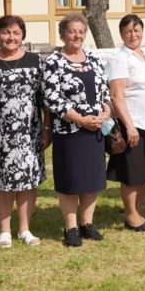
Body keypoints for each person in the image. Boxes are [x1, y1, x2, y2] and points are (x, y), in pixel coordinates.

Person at [0, 15, 46, 248]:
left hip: (30, 133)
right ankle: (4, 231)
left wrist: (47, 128)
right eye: (5, 32)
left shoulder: (36, 61)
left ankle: (24, 229)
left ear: (22, 36)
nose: (11, 37)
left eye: (16, 33)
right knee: (2, 181)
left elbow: (45, 99)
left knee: (28, 180)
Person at [42, 13, 113, 247]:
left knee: (92, 179)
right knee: (70, 179)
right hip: (69, 130)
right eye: (72, 31)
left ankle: (87, 224)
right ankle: (70, 228)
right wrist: (80, 119)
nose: (77, 35)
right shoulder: (53, 62)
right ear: (62, 34)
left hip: (95, 129)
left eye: (81, 31)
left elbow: (105, 92)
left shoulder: (92, 58)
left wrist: (105, 114)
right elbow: (52, 98)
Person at [106, 14, 145, 233]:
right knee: (131, 171)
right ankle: (130, 216)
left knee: (144, 170)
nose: (133, 35)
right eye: (128, 31)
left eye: (136, 30)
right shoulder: (121, 58)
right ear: (121, 34)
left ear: (142, 31)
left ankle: (138, 212)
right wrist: (128, 126)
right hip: (133, 121)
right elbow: (117, 95)